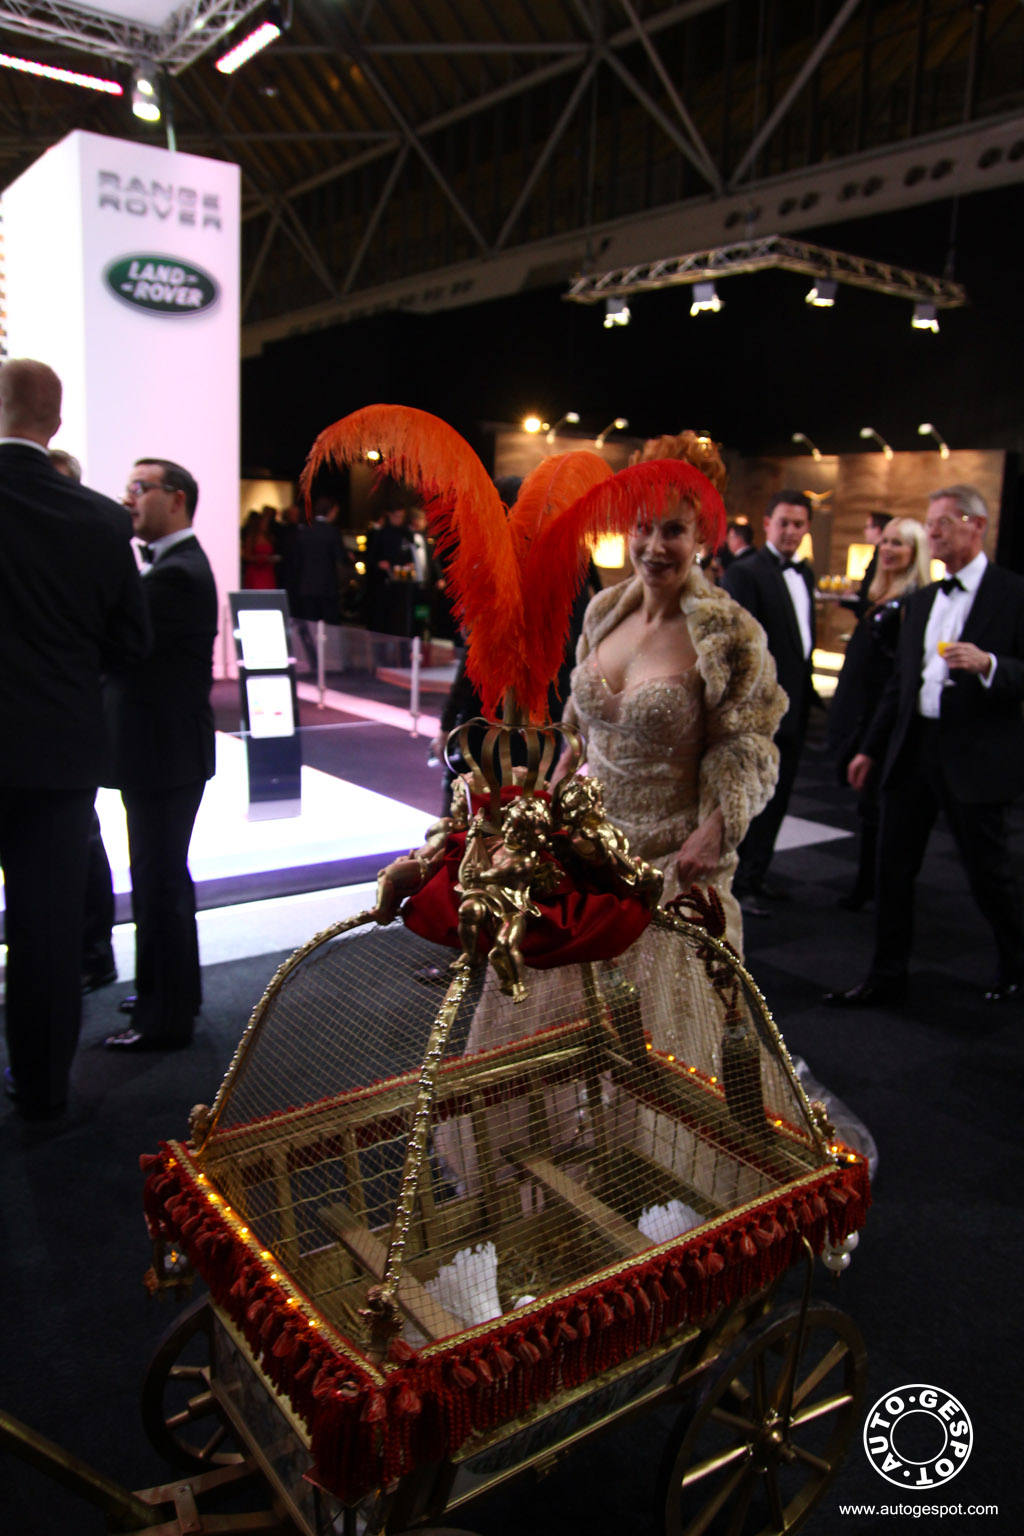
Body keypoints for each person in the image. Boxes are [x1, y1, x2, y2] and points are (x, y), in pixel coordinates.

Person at [560, 435, 787, 954]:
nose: (654, 547)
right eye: (643, 527)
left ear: (702, 534)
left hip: (672, 862)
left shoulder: (729, 632)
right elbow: (579, 721)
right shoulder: (604, 610)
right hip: (588, 849)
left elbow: (748, 744)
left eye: (674, 530)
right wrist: (554, 786)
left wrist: (716, 830)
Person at [0, 360, 149, 1116]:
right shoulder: (100, 521)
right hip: (57, 755)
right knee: (48, 931)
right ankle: (43, 1089)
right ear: (56, 422)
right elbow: (132, 646)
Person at [825, 484, 1024, 1008]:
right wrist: (870, 748)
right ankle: (886, 975)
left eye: (943, 522)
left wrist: (991, 665)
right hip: (913, 747)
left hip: (973, 752)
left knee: (987, 872)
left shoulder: (1012, 593)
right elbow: (899, 685)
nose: (932, 531)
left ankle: (1015, 963)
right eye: (929, 522)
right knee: (892, 868)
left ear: (977, 526)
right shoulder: (922, 600)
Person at [103, 458, 218, 1051]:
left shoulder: (177, 575)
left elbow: (117, 642)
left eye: (138, 488)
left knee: (158, 883)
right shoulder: (175, 567)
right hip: (163, 752)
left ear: (175, 499)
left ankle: (163, 1016)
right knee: (160, 879)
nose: (128, 499)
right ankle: (169, 994)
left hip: (163, 753)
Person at [827, 518, 931, 909]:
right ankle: (869, 887)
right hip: (869, 713)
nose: (887, 549)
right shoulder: (885, 596)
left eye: (898, 544)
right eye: (884, 542)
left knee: (882, 810)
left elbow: (899, 676)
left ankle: (876, 891)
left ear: (915, 552)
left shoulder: (913, 602)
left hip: (887, 720)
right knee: (870, 808)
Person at [722, 489, 816, 915]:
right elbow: (738, 650)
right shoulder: (746, 572)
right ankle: (737, 884)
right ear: (767, 524)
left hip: (796, 707)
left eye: (799, 524)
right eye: (784, 523)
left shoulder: (806, 574)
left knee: (779, 796)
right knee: (750, 798)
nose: (791, 531)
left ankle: (757, 874)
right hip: (759, 711)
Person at [850, 510, 893, 618]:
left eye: (867, 527)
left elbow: (870, 596)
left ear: (877, 530)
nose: (864, 531)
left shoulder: (882, 557)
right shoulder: (876, 554)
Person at [241, 506, 279, 590]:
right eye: (264, 522)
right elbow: (246, 556)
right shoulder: (251, 538)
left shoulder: (270, 538)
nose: (266, 525)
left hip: (267, 572)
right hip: (255, 572)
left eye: (267, 523)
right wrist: (261, 559)